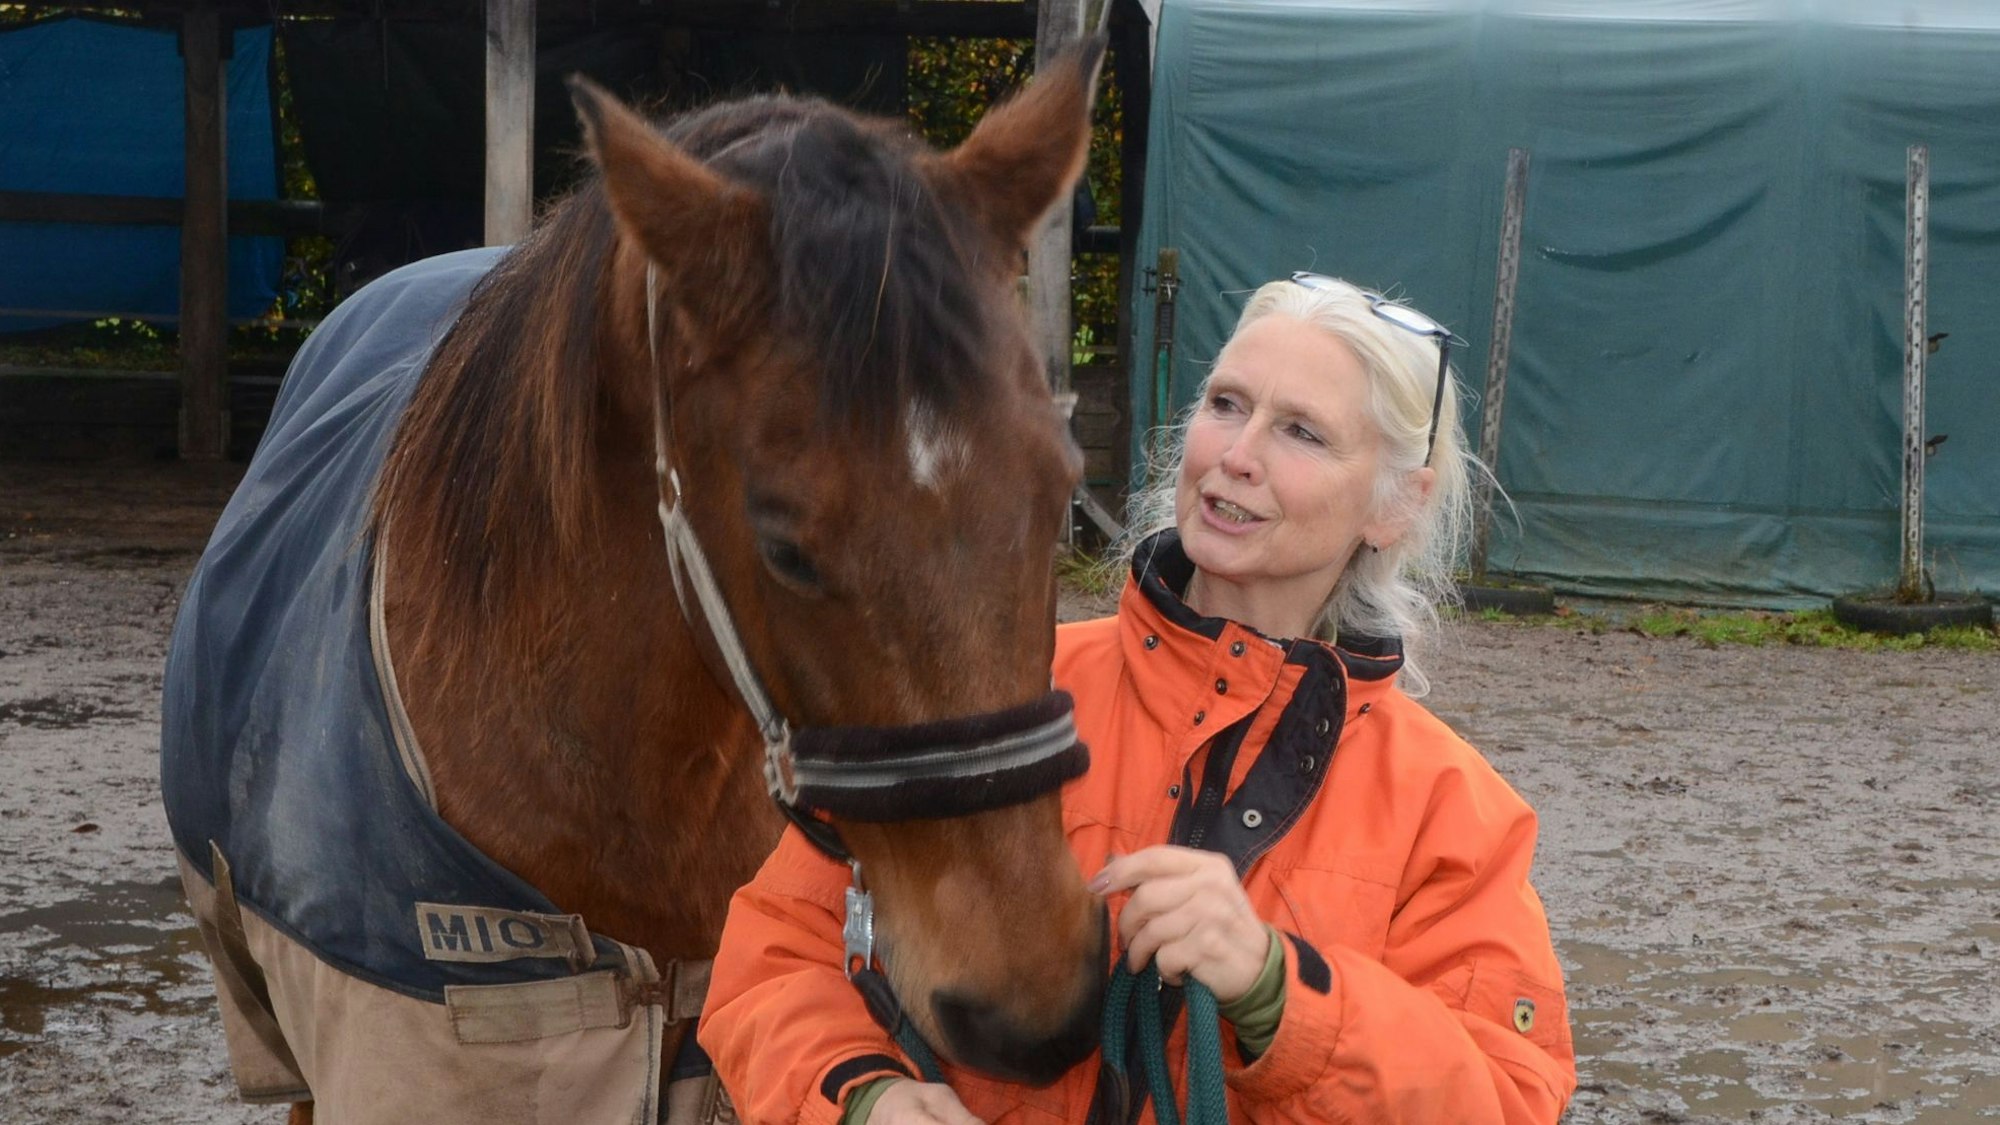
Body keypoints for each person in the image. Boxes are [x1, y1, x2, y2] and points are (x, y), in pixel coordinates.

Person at [698, 274, 1577, 1124]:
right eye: (1226, 404)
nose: (1236, 455)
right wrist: (863, 1095)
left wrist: (1280, 989)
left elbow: (1507, 1098)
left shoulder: (1453, 815)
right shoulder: (986, 692)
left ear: (1396, 507)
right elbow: (777, 947)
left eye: (1302, 432)